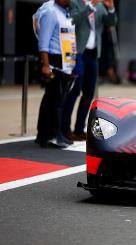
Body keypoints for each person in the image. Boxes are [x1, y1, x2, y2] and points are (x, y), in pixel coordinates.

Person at [62, 0, 117, 141]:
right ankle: (65, 128)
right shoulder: (75, 3)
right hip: (78, 52)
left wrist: (110, 9)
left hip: (93, 53)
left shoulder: (100, 6)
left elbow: (110, 23)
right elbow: (73, 20)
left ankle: (79, 129)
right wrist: (90, 6)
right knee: (75, 90)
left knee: (89, 92)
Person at [35, 0, 77, 148]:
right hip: (53, 60)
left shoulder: (65, 13)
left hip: (64, 62)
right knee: (54, 101)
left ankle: (46, 135)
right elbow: (43, 42)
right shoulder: (51, 12)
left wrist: (71, 65)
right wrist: (46, 64)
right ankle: (51, 135)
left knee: (54, 100)